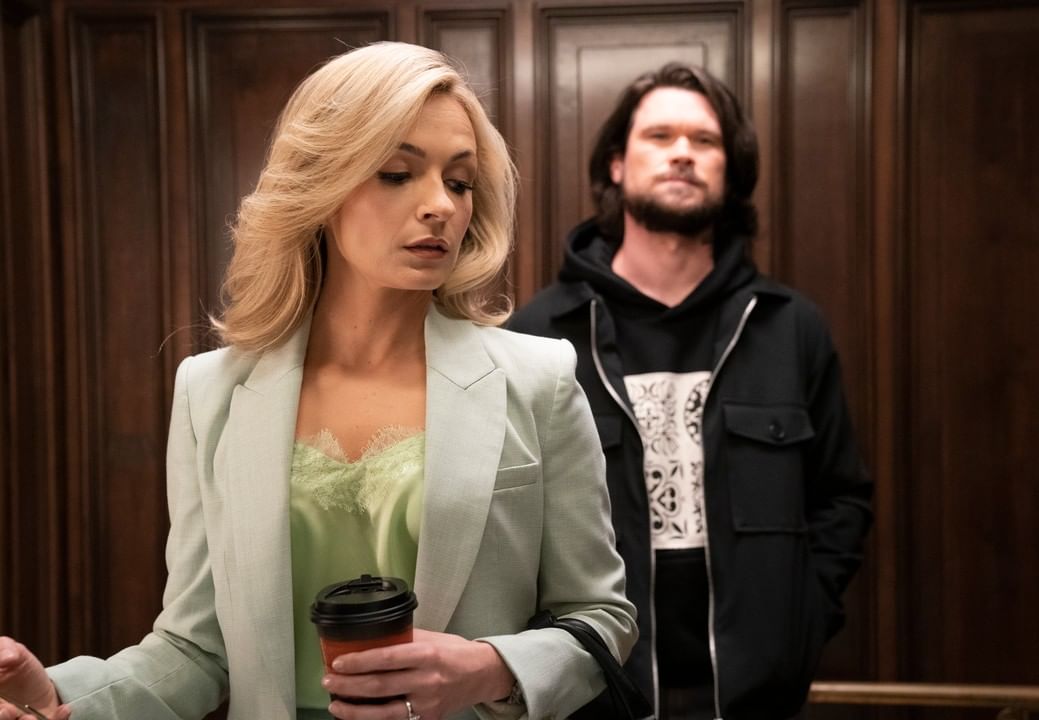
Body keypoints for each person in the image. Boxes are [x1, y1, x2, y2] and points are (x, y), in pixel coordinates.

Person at [0, 41, 637, 720]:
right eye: (397, 173)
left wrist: (488, 670)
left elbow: (601, 618)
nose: (441, 206)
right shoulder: (211, 394)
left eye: (459, 182)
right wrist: (62, 697)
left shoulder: (538, 381)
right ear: (321, 184)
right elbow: (196, 648)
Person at [507, 63, 873, 720]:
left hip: (757, 700)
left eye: (705, 140)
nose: (683, 153)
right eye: (660, 136)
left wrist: (802, 623)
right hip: (595, 696)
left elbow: (840, 498)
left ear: (730, 170)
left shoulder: (789, 327)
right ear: (616, 164)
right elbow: (509, 527)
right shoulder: (541, 336)